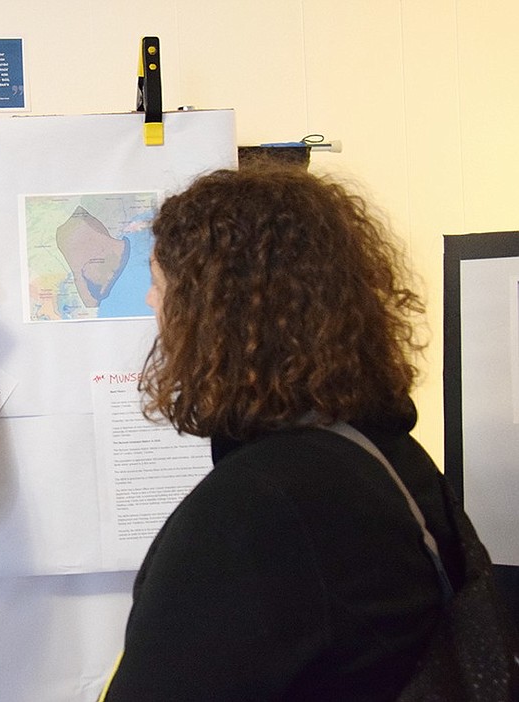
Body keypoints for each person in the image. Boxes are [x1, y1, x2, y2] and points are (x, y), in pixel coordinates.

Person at [99, 163, 502, 700]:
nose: (152, 304)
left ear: (217, 311)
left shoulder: (261, 504)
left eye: (158, 284)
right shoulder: (388, 455)